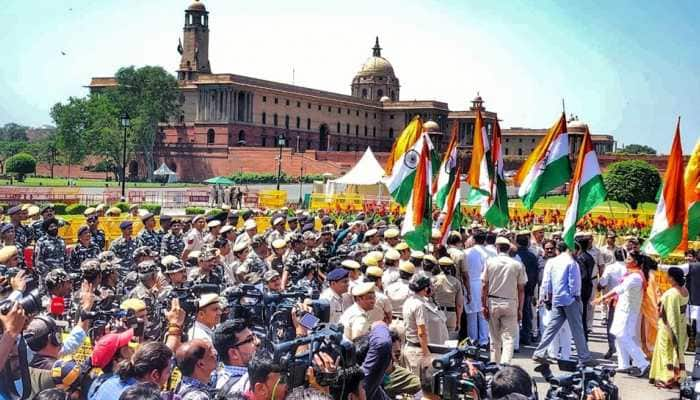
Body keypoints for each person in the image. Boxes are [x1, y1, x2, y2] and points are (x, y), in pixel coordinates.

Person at [533, 241, 595, 367]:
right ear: (573, 250)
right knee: (577, 329)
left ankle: (539, 352)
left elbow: (547, 281)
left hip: (557, 298)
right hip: (570, 299)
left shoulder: (552, 262)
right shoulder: (572, 263)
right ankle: (584, 357)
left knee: (552, 327)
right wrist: (576, 298)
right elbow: (574, 284)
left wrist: (547, 295)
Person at [593, 252, 649, 376]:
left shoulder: (635, 277)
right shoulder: (633, 274)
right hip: (624, 309)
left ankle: (643, 363)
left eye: (629, 258)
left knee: (623, 335)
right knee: (620, 335)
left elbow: (619, 289)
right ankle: (624, 364)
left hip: (627, 310)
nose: (626, 260)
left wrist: (602, 298)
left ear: (635, 262)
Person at [481, 237, 527, 364]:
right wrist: (520, 309)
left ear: (497, 247)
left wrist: (483, 305)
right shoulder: (517, 264)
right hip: (510, 302)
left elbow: (484, 285)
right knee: (508, 338)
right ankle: (505, 364)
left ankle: (494, 365)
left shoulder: (489, 262)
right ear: (509, 249)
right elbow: (521, 289)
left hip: (493, 302)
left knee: (494, 337)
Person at [88, 341, 173, 400]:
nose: (169, 375)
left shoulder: (110, 380)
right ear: (155, 375)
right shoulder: (141, 397)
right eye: (168, 371)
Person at [649, 267, 689, 388]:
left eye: (668, 276)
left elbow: (667, 313)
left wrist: (661, 299)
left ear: (673, 278)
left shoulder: (672, 293)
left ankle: (666, 377)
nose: (667, 278)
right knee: (676, 352)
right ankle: (676, 376)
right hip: (681, 325)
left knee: (664, 351)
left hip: (668, 327)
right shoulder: (685, 290)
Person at [402, 274, 448, 376]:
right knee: (420, 386)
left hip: (409, 347)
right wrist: (427, 354)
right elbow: (421, 332)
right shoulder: (419, 305)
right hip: (418, 351)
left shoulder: (408, 301)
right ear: (425, 288)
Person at [213, 319, 261, 395]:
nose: (258, 342)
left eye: (254, 336)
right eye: (250, 340)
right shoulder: (245, 387)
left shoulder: (218, 375)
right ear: (233, 353)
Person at [597, 247, 628, 359]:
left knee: (612, 325)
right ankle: (625, 351)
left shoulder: (611, 268)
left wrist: (599, 286)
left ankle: (612, 346)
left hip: (614, 299)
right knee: (626, 326)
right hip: (628, 300)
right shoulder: (629, 268)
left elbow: (603, 282)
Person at [431, 257, 464, 340]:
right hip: (451, 314)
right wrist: (458, 321)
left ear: (439, 267)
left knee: (437, 340)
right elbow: (459, 305)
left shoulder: (433, 280)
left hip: (436, 312)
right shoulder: (456, 282)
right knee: (450, 342)